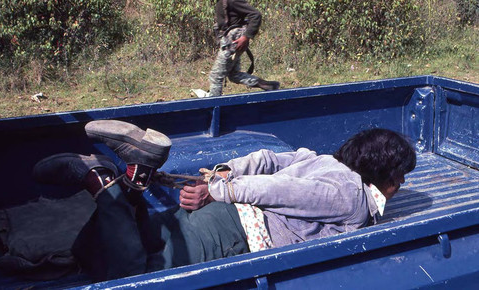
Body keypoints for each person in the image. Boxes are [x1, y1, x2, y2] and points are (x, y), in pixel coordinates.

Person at [33, 120, 416, 282]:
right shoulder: (351, 196)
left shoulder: (319, 160)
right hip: (232, 234)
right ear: (383, 172)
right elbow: (274, 191)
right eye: (400, 175)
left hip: (220, 216)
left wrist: (224, 172)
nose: (400, 183)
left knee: (122, 242)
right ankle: (103, 182)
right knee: (137, 279)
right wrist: (215, 189)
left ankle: (133, 181)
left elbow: (265, 159)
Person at [202, 0, 280, 97]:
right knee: (233, 75)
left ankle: (213, 106)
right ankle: (268, 85)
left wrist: (246, 37)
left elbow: (255, 15)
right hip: (230, 39)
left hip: (234, 40)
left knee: (216, 76)